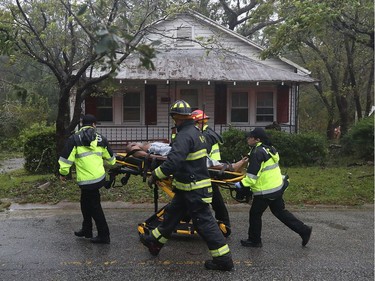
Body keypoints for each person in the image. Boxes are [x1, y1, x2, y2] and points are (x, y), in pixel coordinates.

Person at [140, 100, 234, 271]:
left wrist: (155, 174)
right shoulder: (196, 132)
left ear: (176, 117)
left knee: (205, 223)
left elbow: (173, 161)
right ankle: (154, 242)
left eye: (174, 118)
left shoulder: (184, 135)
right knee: (171, 216)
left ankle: (223, 260)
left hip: (194, 189)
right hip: (186, 188)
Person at [235, 127, 312, 248]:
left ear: (257, 139)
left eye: (250, 137)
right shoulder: (268, 149)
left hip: (265, 191)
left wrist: (241, 185)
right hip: (276, 187)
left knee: (255, 213)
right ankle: (304, 230)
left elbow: (252, 176)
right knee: (280, 212)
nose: (247, 139)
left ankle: (254, 240)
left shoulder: (257, 153)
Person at [58, 114, 116, 244]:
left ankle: (104, 235)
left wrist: (63, 173)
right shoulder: (101, 139)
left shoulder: (74, 139)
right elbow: (112, 160)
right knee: (85, 203)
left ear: (82, 124)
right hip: (98, 178)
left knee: (94, 207)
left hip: (86, 180)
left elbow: (66, 159)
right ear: (94, 124)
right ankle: (87, 229)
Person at [192, 109, 247, 237]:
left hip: (209, 170)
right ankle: (224, 223)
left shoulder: (204, 136)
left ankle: (222, 224)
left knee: (210, 198)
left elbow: (200, 156)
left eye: (194, 123)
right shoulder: (208, 133)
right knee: (215, 199)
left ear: (199, 122)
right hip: (213, 169)